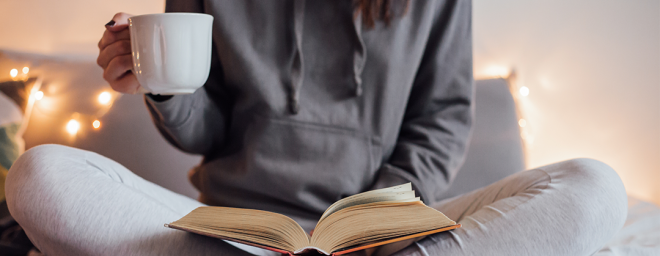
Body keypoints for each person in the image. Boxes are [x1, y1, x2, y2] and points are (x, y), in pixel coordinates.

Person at [5, 0, 628, 255]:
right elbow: (206, 132)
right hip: (237, 234)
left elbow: (442, 119)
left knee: (593, 186)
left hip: (384, 232)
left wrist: (375, 224)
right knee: (41, 174)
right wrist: (164, 87)